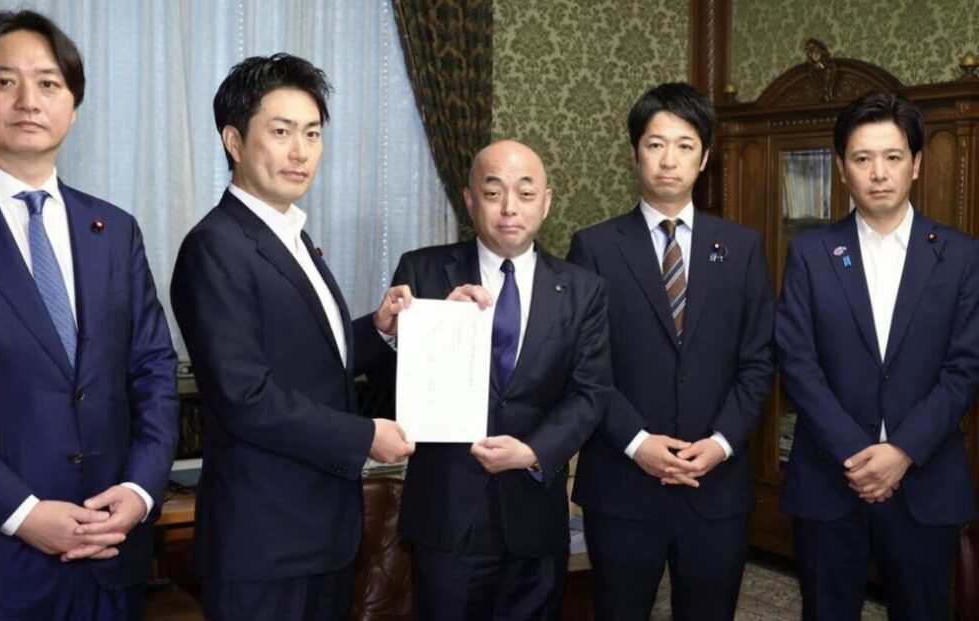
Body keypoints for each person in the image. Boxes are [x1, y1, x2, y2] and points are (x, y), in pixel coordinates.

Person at [170, 53, 415, 621]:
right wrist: (364, 435)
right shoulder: (216, 246)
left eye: (312, 133)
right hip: (264, 542)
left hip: (322, 533)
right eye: (281, 132)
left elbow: (310, 357)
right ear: (234, 140)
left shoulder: (291, 235)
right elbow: (245, 395)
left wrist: (377, 331)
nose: (300, 151)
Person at [0, 10, 178, 619]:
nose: (29, 100)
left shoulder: (115, 230)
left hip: (112, 553)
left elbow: (154, 370)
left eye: (49, 83)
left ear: (73, 107)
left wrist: (139, 490)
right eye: (5, 81)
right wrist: (21, 513)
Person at [567, 82, 775, 620]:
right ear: (634, 152)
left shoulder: (743, 247)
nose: (668, 159)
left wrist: (721, 444)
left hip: (716, 484)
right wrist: (637, 443)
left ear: (704, 158)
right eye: (655, 144)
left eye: (685, 145)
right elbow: (586, 366)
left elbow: (758, 362)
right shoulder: (594, 247)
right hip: (623, 482)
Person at [776, 91, 979, 620]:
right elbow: (797, 361)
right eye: (863, 158)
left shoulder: (962, 256)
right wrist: (857, 454)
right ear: (841, 167)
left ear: (917, 163)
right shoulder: (811, 253)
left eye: (893, 156)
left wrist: (902, 451)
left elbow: (965, 369)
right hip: (830, 481)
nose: (879, 173)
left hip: (925, 482)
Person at [387, 139, 611, 619]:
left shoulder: (582, 289)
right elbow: (393, 386)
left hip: (534, 512)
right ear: (470, 200)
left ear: (546, 202)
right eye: (493, 193)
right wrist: (434, 327)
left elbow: (589, 393)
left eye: (525, 194)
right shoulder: (423, 272)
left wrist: (534, 452)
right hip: (447, 513)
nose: (510, 207)